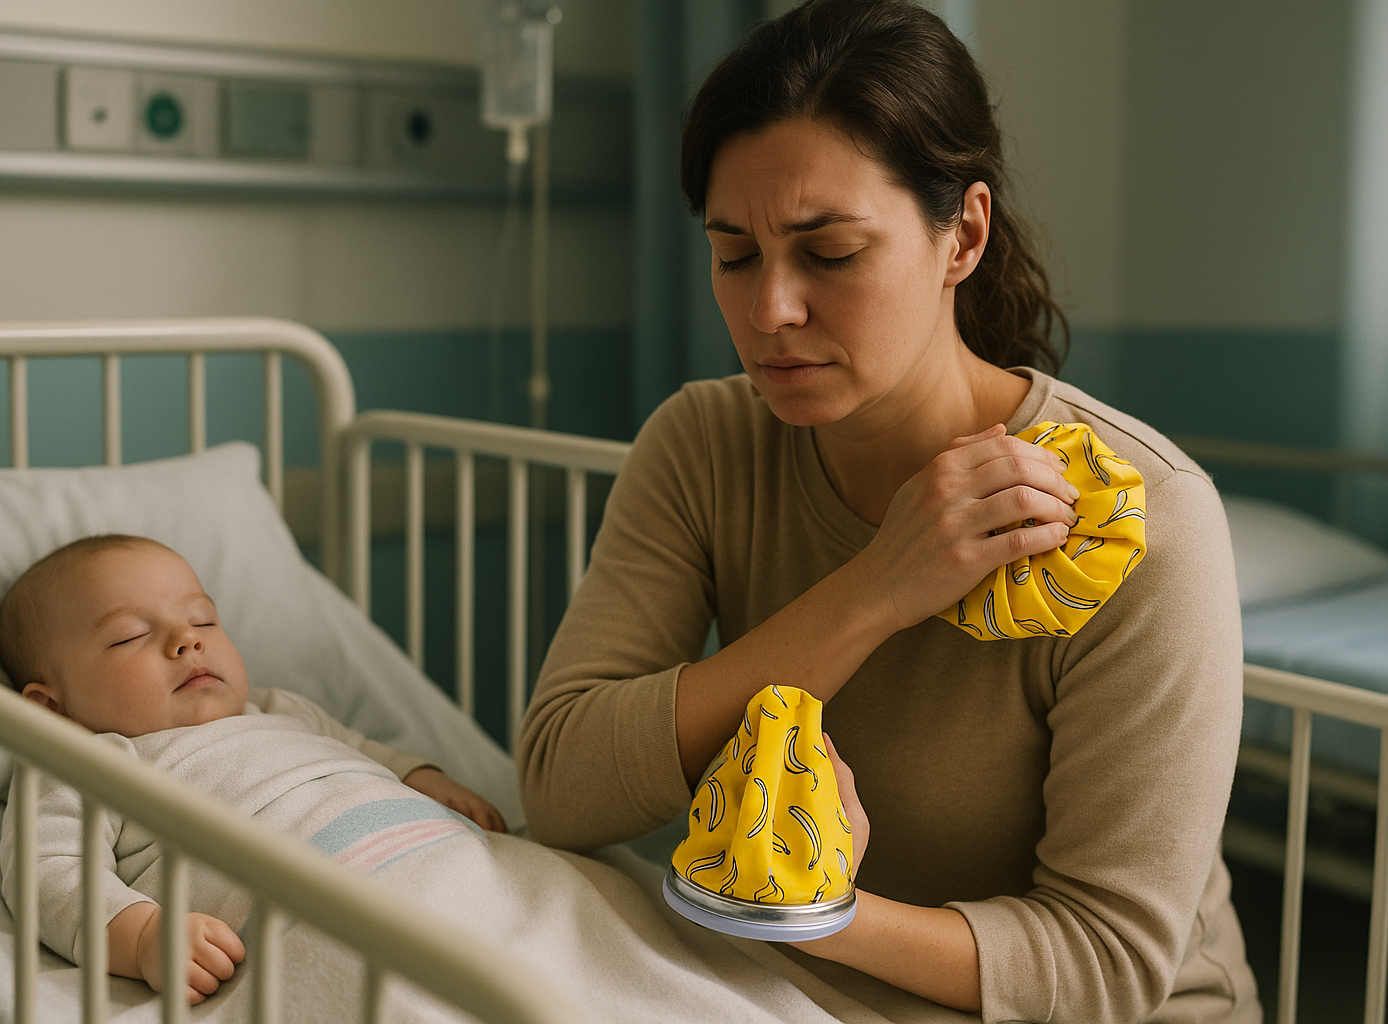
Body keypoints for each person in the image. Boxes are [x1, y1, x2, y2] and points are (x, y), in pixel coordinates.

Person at [518, 1, 1260, 1021]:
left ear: (964, 234)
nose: (770, 310)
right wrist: (876, 587)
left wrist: (809, 906)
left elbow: (1104, 965)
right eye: (734, 255)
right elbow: (559, 784)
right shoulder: (701, 445)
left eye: (829, 254)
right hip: (811, 992)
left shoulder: (1141, 523)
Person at [0, 534, 506, 1005]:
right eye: (130, 636)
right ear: (52, 710)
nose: (186, 640)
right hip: (327, 909)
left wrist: (424, 778)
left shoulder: (282, 708)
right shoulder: (85, 761)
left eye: (203, 621)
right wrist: (144, 935)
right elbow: (51, 873)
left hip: (448, 858)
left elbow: (365, 750)